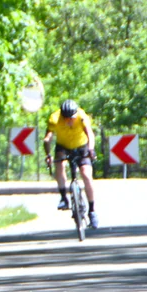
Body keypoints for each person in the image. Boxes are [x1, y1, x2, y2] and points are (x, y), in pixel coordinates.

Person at [43, 98, 99, 229]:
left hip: (81, 146)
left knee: (86, 175)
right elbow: (48, 138)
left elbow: (90, 134)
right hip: (63, 146)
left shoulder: (81, 115)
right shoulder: (54, 118)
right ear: (62, 115)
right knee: (60, 165)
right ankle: (63, 198)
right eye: (67, 118)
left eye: (72, 118)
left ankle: (92, 211)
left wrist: (91, 149)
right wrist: (48, 153)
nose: (69, 120)